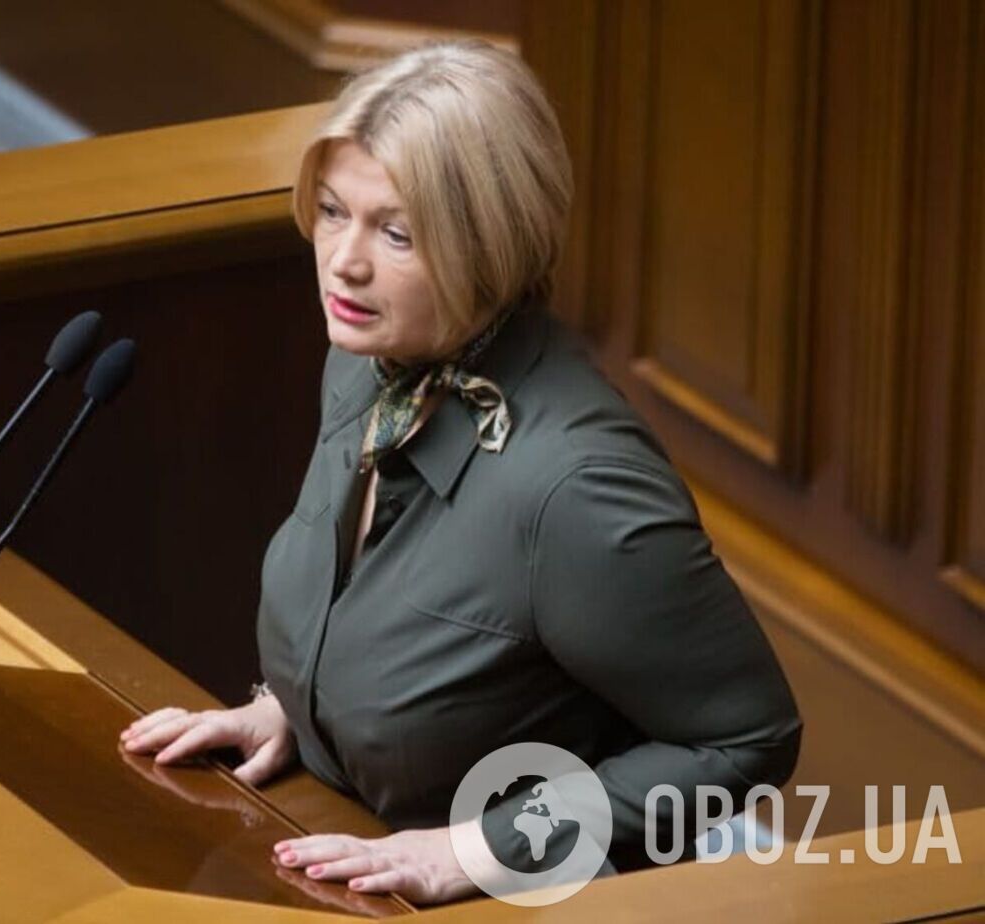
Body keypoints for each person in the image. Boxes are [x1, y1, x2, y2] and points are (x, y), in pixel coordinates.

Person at [119, 40, 802, 904]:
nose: (344, 260)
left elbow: (746, 741)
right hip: (334, 860)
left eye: (396, 233)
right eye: (332, 211)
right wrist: (288, 711)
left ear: (491, 242)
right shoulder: (367, 364)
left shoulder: (576, 489)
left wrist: (472, 851)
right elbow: (400, 637)